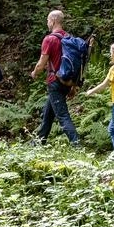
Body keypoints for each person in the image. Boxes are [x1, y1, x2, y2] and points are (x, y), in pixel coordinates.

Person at [30, 9, 80, 146]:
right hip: (67, 81)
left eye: (47, 20)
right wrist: (73, 86)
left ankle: (77, 144)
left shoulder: (50, 39)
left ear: (52, 21)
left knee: (63, 116)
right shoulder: (69, 38)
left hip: (55, 82)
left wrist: (35, 73)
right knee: (48, 113)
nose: (47, 23)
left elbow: (41, 63)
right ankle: (39, 142)